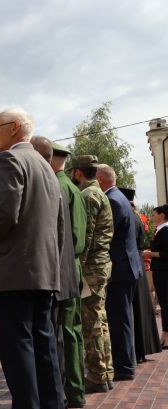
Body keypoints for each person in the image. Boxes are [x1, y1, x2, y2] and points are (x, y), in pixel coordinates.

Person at [0, 107, 65, 409]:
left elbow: (5, 215)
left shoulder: (10, 161)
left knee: (19, 351)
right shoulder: (45, 166)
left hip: (15, 273)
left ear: (12, 129)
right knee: (45, 350)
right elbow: (57, 227)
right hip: (44, 273)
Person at [32, 136, 86, 409]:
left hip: (59, 268)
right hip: (73, 267)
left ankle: (63, 393)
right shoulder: (74, 188)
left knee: (59, 335)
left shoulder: (55, 186)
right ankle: (76, 389)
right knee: (73, 331)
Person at [68, 155, 115, 393]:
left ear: (78, 172)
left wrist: (79, 269)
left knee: (92, 323)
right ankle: (105, 372)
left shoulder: (88, 195)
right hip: (101, 263)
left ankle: (97, 376)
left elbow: (85, 237)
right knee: (100, 321)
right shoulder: (100, 193)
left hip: (92, 267)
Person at [97, 164, 142, 381]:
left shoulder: (112, 200)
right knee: (123, 318)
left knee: (120, 319)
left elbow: (109, 235)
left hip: (120, 269)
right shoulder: (121, 198)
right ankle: (126, 363)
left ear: (101, 180)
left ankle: (124, 367)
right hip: (127, 267)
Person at [130, 198, 161, 360]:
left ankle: (138, 350)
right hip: (138, 263)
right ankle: (143, 348)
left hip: (131, 263)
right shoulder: (138, 218)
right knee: (141, 308)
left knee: (135, 309)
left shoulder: (131, 217)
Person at [143, 204, 168, 349]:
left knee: (165, 303)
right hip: (161, 271)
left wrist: (149, 254)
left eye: (154, 214)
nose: (151, 217)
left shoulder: (164, 231)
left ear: (162, 215)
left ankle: (166, 336)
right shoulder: (161, 230)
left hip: (163, 272)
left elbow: (166, 254)